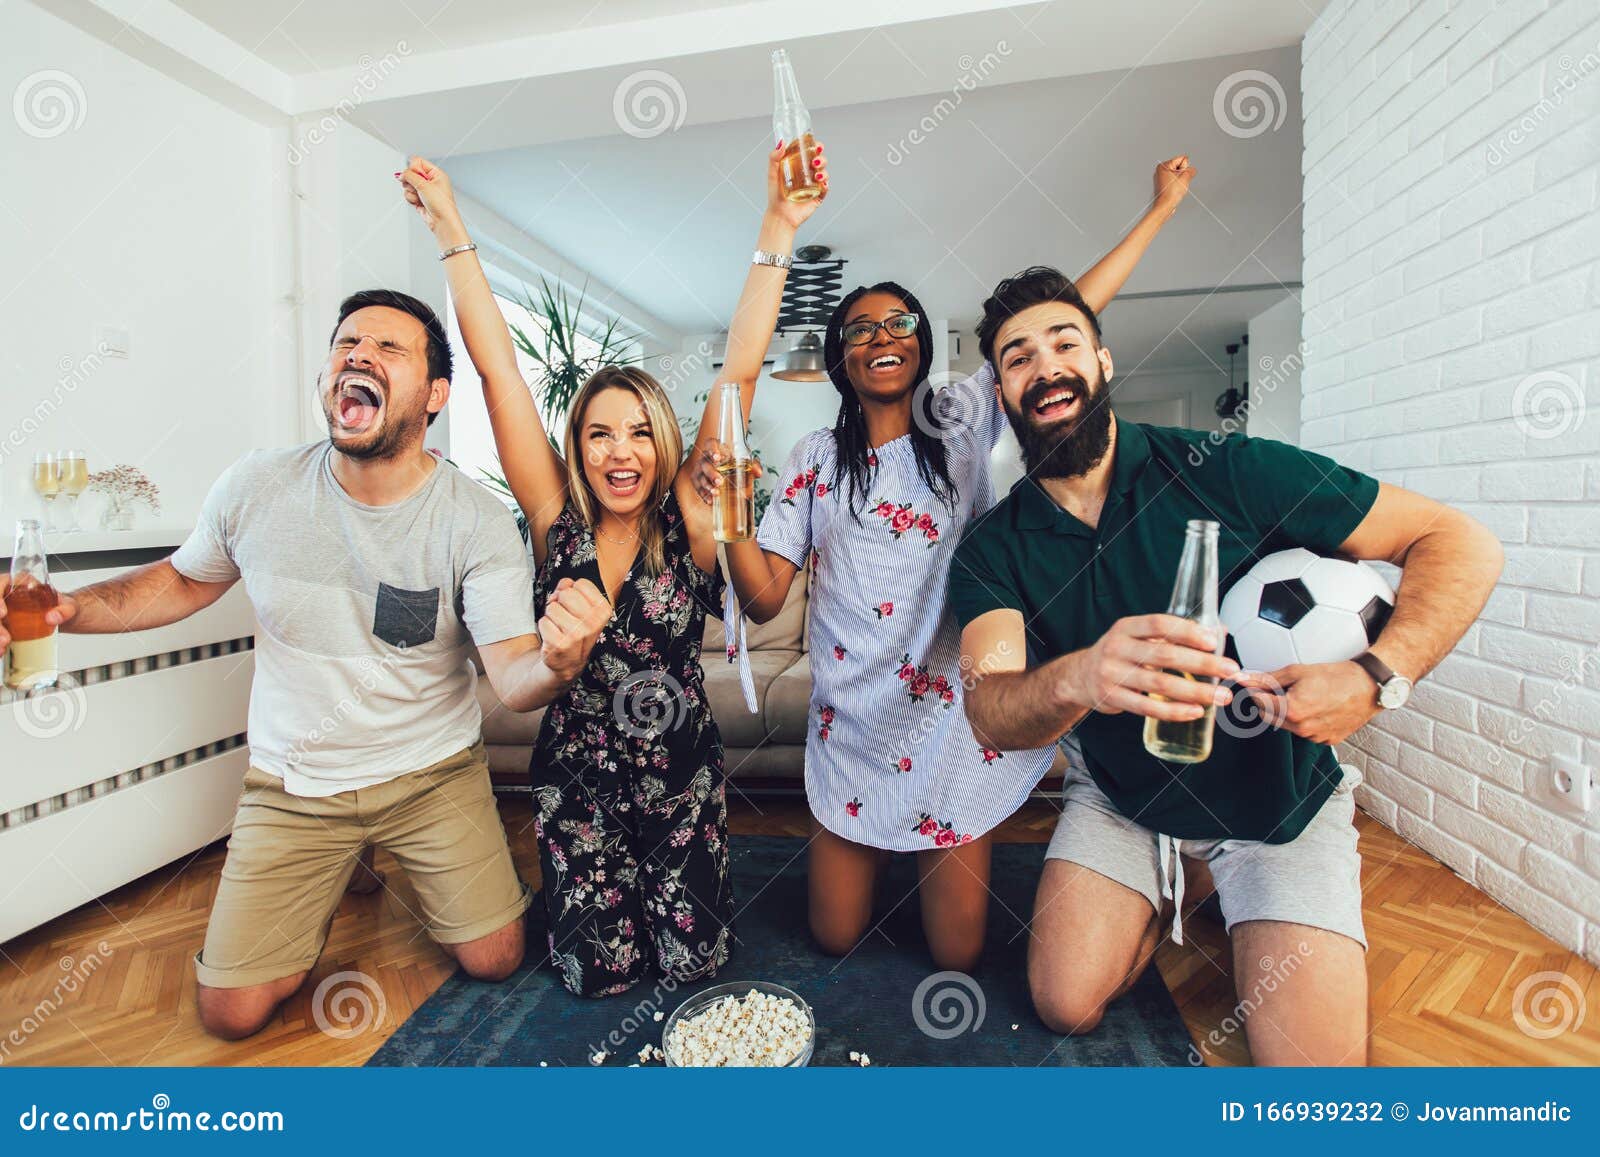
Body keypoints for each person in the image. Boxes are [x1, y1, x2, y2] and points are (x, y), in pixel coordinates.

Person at [0, 288, 613, 1040]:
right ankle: (323, 878)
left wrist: (558, 663)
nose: (358, 354)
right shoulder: (257, 486)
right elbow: (185, 579)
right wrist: (69, 609)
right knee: (232, 1013)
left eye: (389, 349)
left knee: (494, 956)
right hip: (295, 782)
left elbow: (514, 677)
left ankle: (426, 866)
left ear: (435, 396)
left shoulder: (475, 519)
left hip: (431, 772)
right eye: (347, 343)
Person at [950, 266, 1504, 1064]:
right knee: (1063, 1002)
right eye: (1017, 358)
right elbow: (989, 706)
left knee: (1311, 1084)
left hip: (1273, 803)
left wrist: (1375, 677)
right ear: (1002, 395)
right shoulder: (994, 546)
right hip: (1123, 798)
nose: (1044, 367)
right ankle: (1177, 879)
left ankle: (1211, 875)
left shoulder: (1228, 469)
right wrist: (1081, 675)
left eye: (1064, 343)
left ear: (1103, 362)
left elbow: (1458, 542)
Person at [707, 151, 1195, 971]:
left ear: (923, 344)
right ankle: (875, 861)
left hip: (948, 723)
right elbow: (763, 603)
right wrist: (723, 524)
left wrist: (1162, 210)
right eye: (860, 329)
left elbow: (1070, 309)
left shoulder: (959, 416)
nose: (882, 336)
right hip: (851, 726)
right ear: (842, 359)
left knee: (958, 954)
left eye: (899, 323)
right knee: (832, 937)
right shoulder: (813, 456)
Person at [396, 148, 827, 996]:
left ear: (663, 442)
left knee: (691, 969)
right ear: (578, 447)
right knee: (599, 976)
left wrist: (778, 224)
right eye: (599, 432)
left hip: (682, 777)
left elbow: (737, 372)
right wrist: (452, 229)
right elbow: (499, 374)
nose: (620, 450)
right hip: (578, 778)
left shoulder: (693, 519)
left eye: (638, 431)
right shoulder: (555, 518)